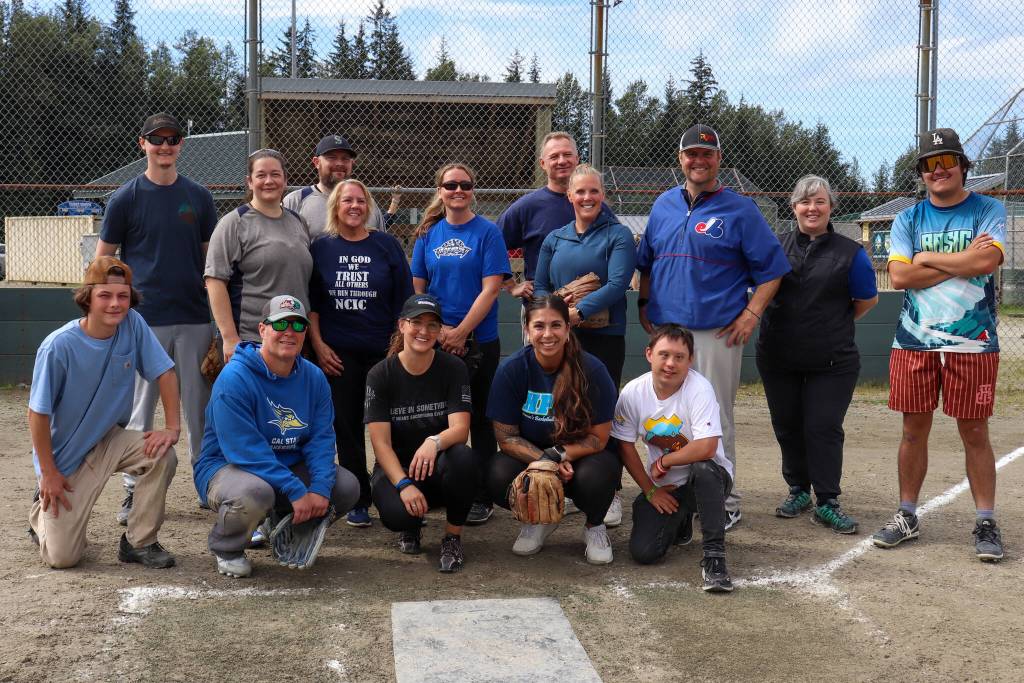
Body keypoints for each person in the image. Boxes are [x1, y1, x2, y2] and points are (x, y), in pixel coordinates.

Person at [637, 123, 790, 529]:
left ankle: (726, 499)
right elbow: (646, 263)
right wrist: (642, 301)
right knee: (668, 417)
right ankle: (679, 491)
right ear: (680, 159)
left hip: (714, 332)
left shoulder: (739, 209)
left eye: (707, 154)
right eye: (691, 153)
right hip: (668, 331)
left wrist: (752, 312)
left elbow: (773, 271)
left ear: (718, 159)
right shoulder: (663, 205)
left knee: (715, 417)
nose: (698, 160)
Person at [870, 128, 1007, 562]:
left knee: (974, 431)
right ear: (922, 174)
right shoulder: (908, 219)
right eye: (929, 164)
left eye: (947, 161)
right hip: (915, 340)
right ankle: (907, 513)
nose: (938, 170)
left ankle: (985, 519)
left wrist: (927, 259)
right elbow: (900, 277)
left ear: (963, 166)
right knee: (913, 429)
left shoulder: (988, 209)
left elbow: (987, 260)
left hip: (974, 340)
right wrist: (960, 262)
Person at [96, 112, 216, 524]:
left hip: (195, 318)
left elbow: (209, 260)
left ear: (181, 144)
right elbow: (103, 261)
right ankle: (135, 489)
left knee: (199, 408)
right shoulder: (125, 198)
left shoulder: (199, 197)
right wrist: (118, 309)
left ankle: (209, 486)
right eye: (156, 139)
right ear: (142, 143)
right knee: (141, 410)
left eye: (172, 138)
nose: (165, 146)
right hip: (144, 322)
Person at [28, 257, 179, 569]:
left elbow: (165, 372)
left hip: (109, 439)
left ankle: (140, 542)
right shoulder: (58, 347)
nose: (115, 304)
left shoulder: (133, 324)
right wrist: (49, 473)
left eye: (122, 296)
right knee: (63, 558)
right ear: (88, 297)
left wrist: (172, 427)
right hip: (66, 459)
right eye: (105, 296)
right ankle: (39, 515)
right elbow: (37, 414)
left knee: (162, 454)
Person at [193, 295, 360, 578]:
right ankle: (227, 546)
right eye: (280, 323)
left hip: (286, 465)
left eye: (298, 325)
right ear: (262, 330)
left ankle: (283, 523)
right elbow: (244, 450)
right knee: (255, 493)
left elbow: (320, 438)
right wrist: (296, 490)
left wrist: (319, 488)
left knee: (345, 487)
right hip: (229, 466)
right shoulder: (235, 377)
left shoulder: (314, 377)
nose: (289, 332)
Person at [756, 175, 878, 533]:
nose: (812, 208)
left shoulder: (849, 252)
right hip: (779, 356)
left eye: (820, 202)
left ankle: (827, 500)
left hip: (832, 361)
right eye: (805, 202)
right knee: (788, 426)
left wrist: (830, 323)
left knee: (822, 427)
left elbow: (866, 300)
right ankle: (798, 490)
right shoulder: (775, 247)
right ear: (793, 207)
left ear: (831, 207)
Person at [308, 179, 413, 528]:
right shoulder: (321, 247)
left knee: (392, 426)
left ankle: (393, 488)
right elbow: (314, 306)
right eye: (346, 200)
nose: (354, 206)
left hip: (383, 354)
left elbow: (404, 304)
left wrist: (397, 351)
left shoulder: (386, 245)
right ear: (335, 206)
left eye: (360, 200)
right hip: (339, 355)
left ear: (369, 206)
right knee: (347, 426)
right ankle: (359, 499)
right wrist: (320, 346)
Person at [411, 163, 511, 525]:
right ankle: (436, 486)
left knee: (480, 419)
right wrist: (438, 333)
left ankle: (481, 493)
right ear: (439, 190)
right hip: (436, 340)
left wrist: (462, 332)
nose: (457, 190)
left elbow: (491, 287)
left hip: (479, 341)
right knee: (436, 418)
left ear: (473, 190)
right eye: (450, 184)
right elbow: (419, 289)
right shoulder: (428, 234)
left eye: (464, 185)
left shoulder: (487, 232)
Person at [486, 295, 620, 564]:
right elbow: (506, 436)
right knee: (496, 474)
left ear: (568, 329)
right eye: (539, 326)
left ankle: (595, 527)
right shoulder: (512, 369)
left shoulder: (592, 369)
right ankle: (540, 519)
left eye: (556, 325)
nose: (548, 334)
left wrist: (557, 456)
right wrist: (545, 463)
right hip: (534, 458)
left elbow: (599, 438)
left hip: (581, 459)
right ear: (527, 330)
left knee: (601, 473)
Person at [613, 325, 734, 592]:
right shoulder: (633, 391)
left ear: (690, 360)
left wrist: (665, 462)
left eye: (679, 357)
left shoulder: (699, 388)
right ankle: (680, 521)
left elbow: (707, 448)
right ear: (649, 354)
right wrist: (649, 490)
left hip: (710, 479)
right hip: (667, 487)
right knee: (644, 553)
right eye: (664, 354)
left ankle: (715, 558)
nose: (670, 363)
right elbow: (624, 444)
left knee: (703, 469)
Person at [365, 294, 478, 572]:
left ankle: (452, 537)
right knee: (395, 516)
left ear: (440, 332)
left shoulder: (453, 367)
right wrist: (403, 484)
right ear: (402, 325)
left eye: (432, 326)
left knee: (463, 458)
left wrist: (434, 441)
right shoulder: (381, 374)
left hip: (437, 465)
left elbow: (460, 430)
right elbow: (380, 445)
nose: (424, 332)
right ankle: (411, 525)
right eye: (416, 322)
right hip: (397, 468)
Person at [206, 149, 313, 364]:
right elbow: (215, 281)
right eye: (261, 175)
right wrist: (229, 338)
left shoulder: (298, 222)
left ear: (285, 180)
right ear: (249, 181)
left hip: (294, 338)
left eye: (275, 174)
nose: (269, 181)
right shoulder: (234, 223)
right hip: (253, 341)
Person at [534, 163, 636, 388]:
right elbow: (540, 285)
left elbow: (618, 284)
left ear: (602, 194)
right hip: (562, 334)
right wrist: (556, 310)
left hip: (606, 336)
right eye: (580, 191)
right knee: (559, 401)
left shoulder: (619, 234)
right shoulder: (555, 238)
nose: (587, 197)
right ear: (570, 195)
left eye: (593, 191)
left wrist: (579, 311)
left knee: (600, 403)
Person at [498, 132, 614, 300]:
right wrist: (510, 285)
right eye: (554, 156)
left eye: (567, 155)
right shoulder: (527, 206)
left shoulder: (595, 206)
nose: (561, 161)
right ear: (543, 163)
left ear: (577, 159)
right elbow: (490, 245)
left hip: (591, 307)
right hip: (542, 309)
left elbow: (619, 249)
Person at [283, 134, 388, 236]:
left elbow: (382, 245)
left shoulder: (367, 203)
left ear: (352, 163)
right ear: (316, 162)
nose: (340, 163)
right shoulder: (296, 200)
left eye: (345, 159)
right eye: (332, 158)